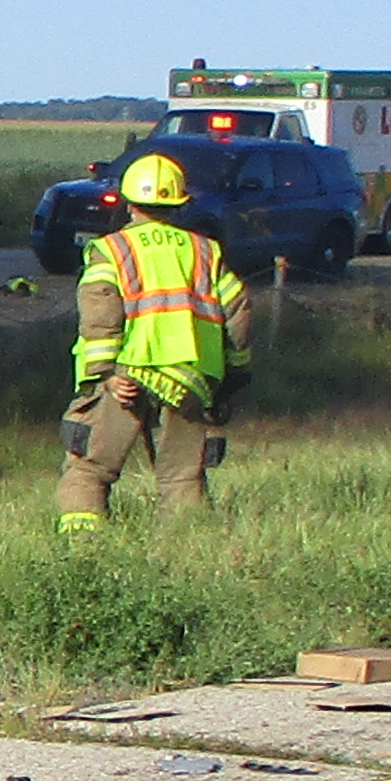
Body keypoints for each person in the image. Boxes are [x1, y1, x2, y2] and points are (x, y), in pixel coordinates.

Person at [57, 149, 260, 533]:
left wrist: (105, 374)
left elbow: (100, 315)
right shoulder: (205, 251)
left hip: (126, 378)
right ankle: (185, 549)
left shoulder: (111, 250)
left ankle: (81, 551)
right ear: (180, 203)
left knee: (88, 469)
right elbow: (238, 312)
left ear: (129, 202)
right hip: (189, 380)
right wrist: (234, 375)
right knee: (183, 478)